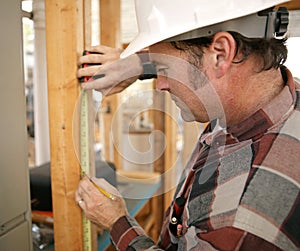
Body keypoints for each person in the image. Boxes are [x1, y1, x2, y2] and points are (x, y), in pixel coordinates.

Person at [75, 0, 300, 250]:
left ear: (221, 54)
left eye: (164, 68)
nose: (160, 84)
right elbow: (194, 60)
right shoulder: (269, 97)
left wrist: (117, 222)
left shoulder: (240, 224)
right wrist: (138, 65)